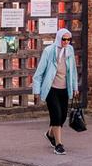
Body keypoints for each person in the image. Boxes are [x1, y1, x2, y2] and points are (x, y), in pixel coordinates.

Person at [32, 27, 78, 155]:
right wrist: (36, 91)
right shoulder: (49, 51)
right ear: (59, 38)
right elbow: (39, 73)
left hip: (64, 88)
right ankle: (58, 144)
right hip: (51, 89)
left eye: (69, 39)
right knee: (56, 115)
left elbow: (73, 70)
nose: (66, 42)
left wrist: (75, 87)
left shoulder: (70, 50)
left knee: (62, 117)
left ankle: (49, 134)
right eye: (64, 39)